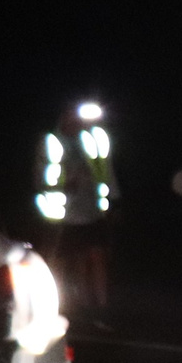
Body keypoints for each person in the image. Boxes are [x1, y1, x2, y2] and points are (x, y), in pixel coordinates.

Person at [35, 101, 117, 323]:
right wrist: (62, 186)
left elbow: (105, 171)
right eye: (70, 117)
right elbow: (38, 180)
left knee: (96, 257)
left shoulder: (91, 140)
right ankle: (56, 307)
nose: (75, 122)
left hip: (92, 211)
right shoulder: (50, 142)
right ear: (62, 118)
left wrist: (112, 200)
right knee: (60, 262)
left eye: (78, 119)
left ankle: (100, 307)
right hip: (63, 215)